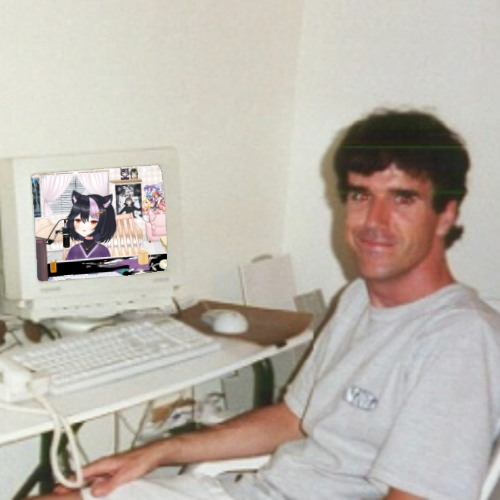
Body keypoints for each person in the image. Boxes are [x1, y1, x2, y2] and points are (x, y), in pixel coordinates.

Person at [31, 109, 500, 500]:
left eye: (403, 199)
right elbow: (293, 418)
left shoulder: (459, 340)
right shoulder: (360, 297)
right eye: (361, 195)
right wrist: (156, 453)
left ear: (446, 214)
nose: (375, 221)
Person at [65, 192, 116, 260]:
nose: (84, 226)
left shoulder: (103, 250)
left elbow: (108, 265)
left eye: (93, 222)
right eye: (78, 220)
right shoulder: (73, 250)